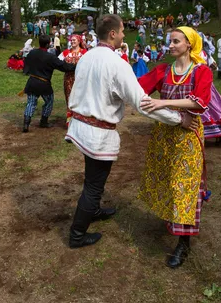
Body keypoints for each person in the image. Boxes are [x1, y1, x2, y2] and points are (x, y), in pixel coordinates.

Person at [65, 15, 189, 249]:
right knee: (94, 185)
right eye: (122, 31)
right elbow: (142, 104)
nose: (124, 35)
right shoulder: (116, 63)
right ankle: (77, 234)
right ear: (112, 34)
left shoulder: (86, 57)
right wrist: (177, 119)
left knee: (92, 178)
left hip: (81, 127)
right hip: (97, 133)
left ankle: (93, 210)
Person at [136, 26, 213, 268]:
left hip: (188, 135)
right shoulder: (162, 70)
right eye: (170, 41)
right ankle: (172, 218)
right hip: (164, 134)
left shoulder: (202, 71)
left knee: (184, 185)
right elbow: (137, 88)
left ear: (189, 44)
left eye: (176, 41)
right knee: (166, 178)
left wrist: (162, 102)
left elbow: (199, 102)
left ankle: (183, 243)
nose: (170, 45)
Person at [22, 34, 75, 132]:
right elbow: (63, 66)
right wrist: (76, 65)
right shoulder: (50, 57)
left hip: (32, 81)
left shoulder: (32, 53)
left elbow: (26, 64)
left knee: (31, 103)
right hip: (44, 84)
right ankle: (44, 121)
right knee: (49, 101)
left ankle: (26, 124)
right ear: (48, 44)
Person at [58, 34, 88, 125]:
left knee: (80, 97)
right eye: (71, 40)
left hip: (80, 79)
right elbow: (58, 62)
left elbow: (90, 63)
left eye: (74, 40)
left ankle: (80, 119)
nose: (72, 41)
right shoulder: (66, 52)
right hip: (68, 79)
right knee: (69, 97)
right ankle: (70, 119)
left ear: (79, 41)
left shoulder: (84, 52)